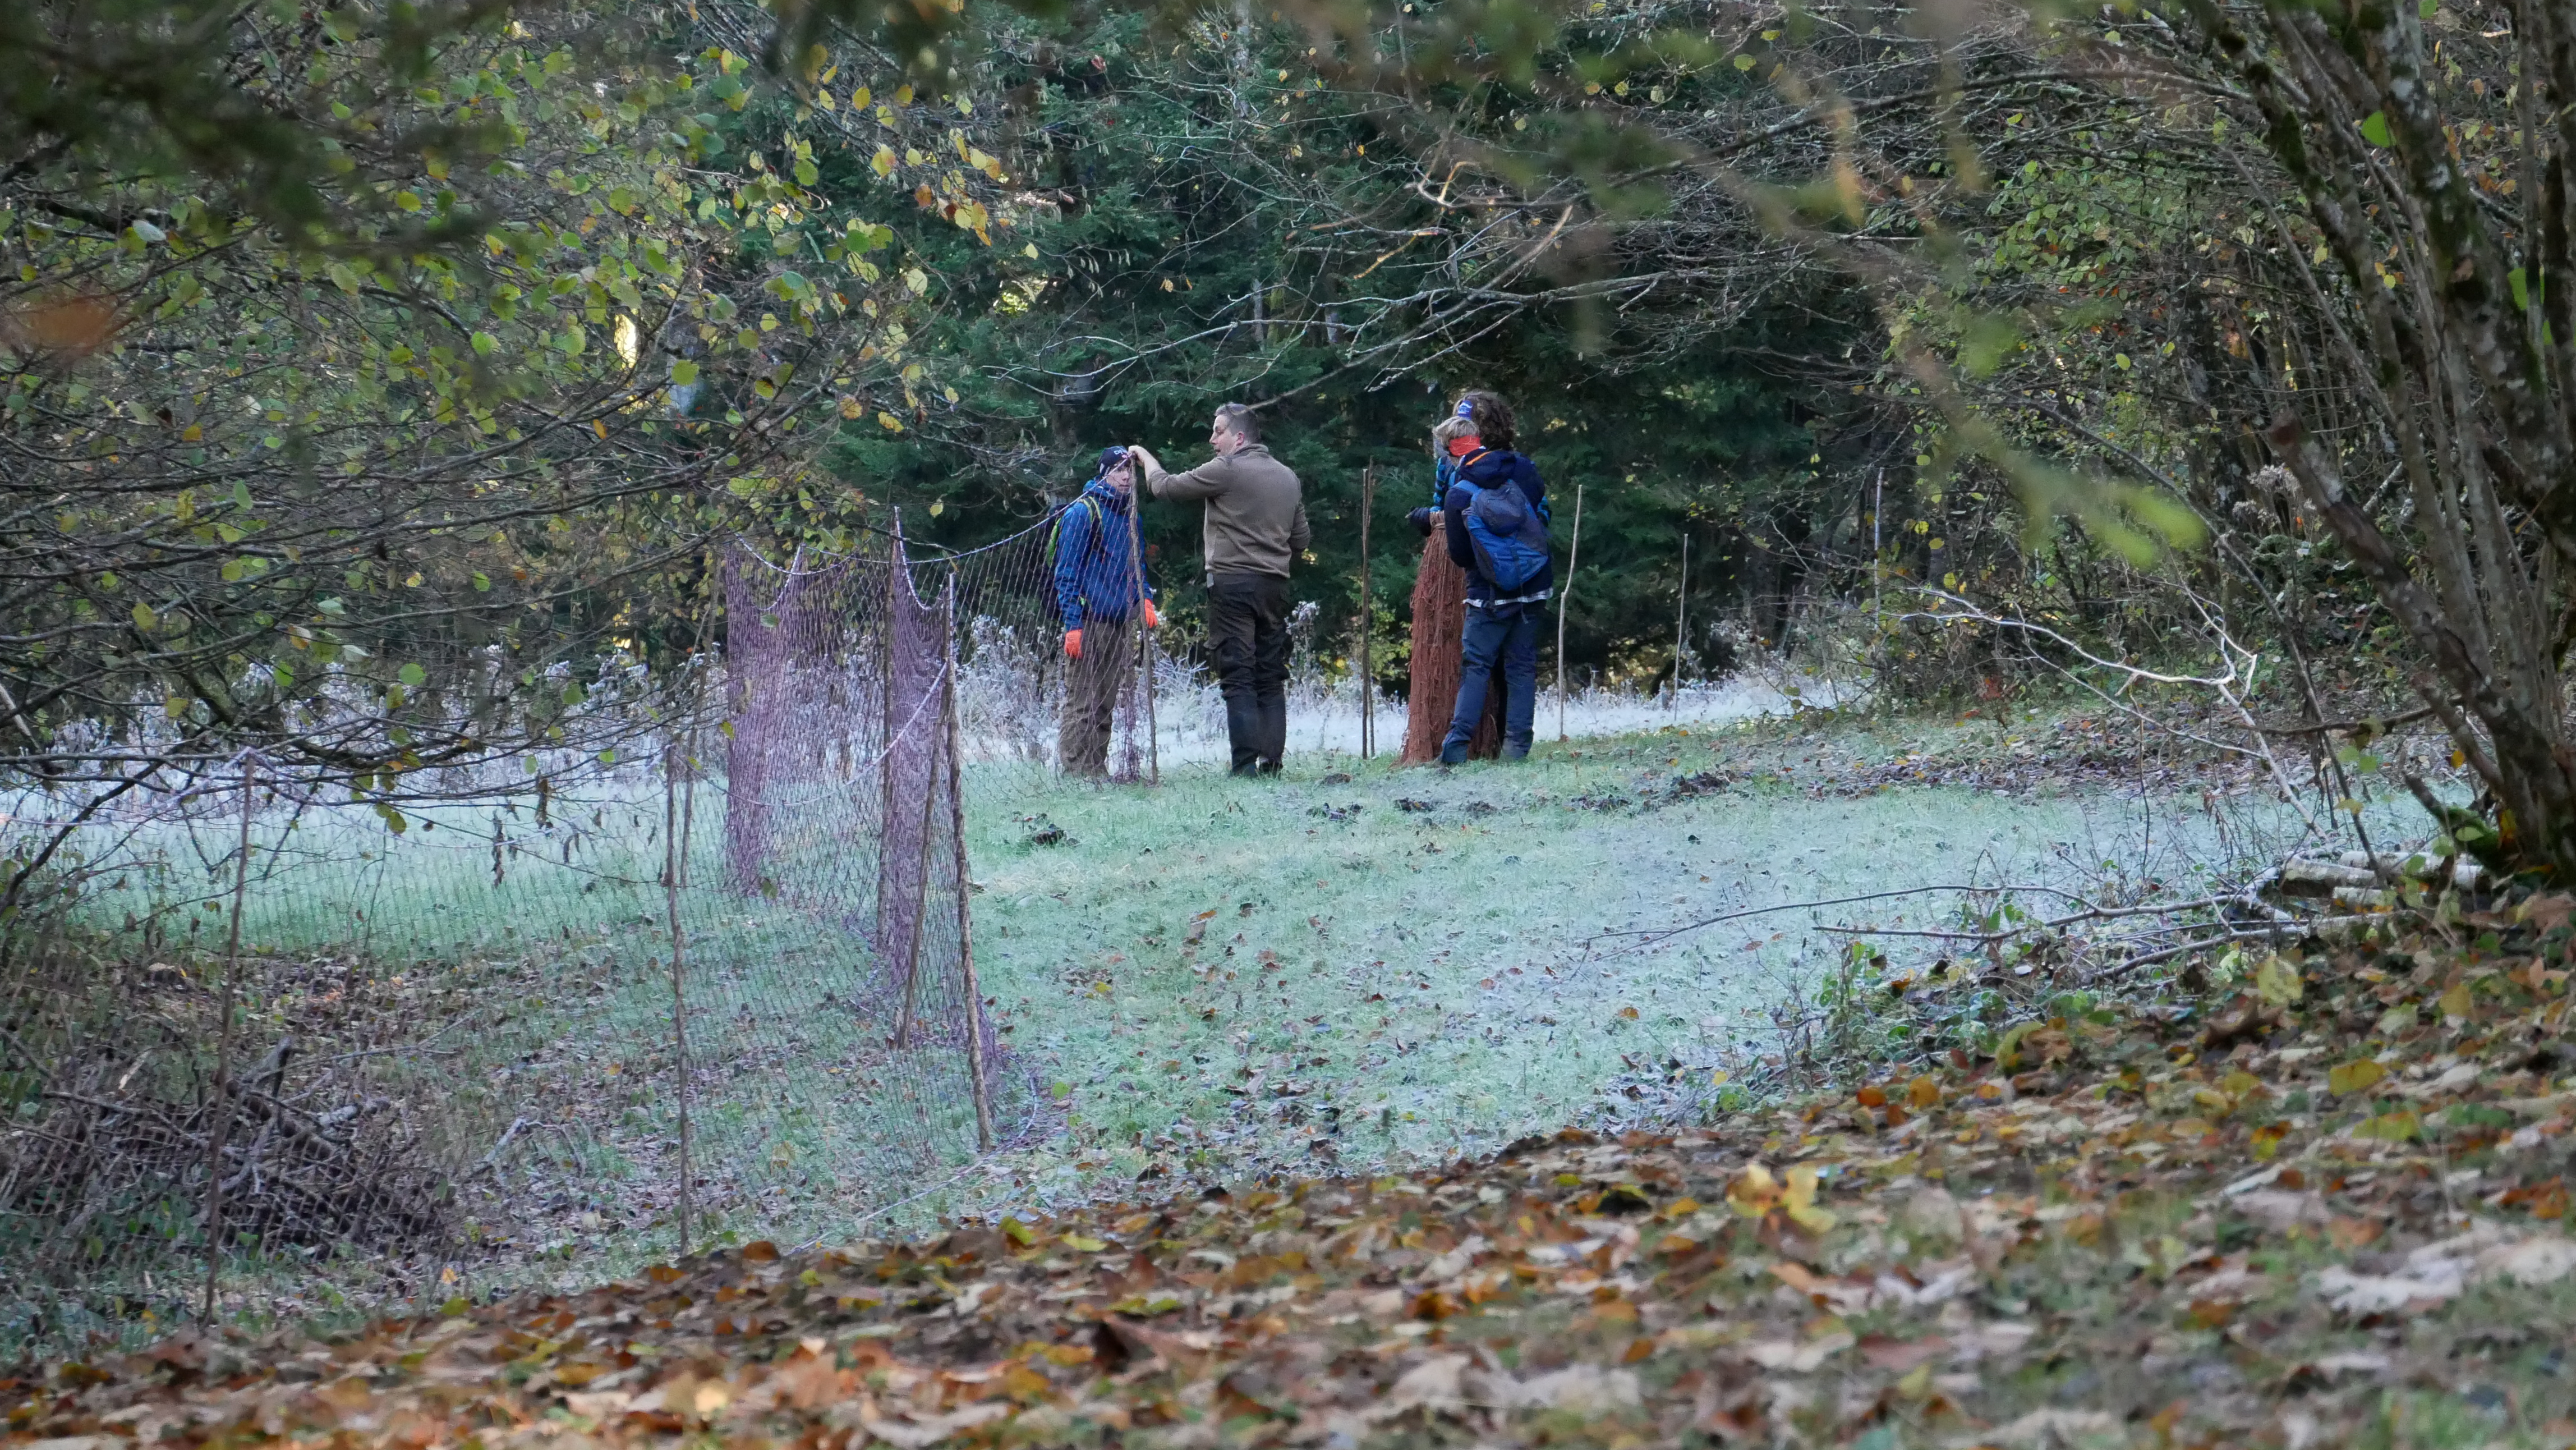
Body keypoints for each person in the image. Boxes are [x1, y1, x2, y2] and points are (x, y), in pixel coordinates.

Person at [1129, 403, 1309, 776]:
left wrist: (1146, 457)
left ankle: (1243, 767)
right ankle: (1271, 765)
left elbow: (1165, 488)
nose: (1212, 440)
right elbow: (1302, 540)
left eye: (1218, 432)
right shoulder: (1289, 477)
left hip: (1232, 586)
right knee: (1271, 677)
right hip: (1275, 587)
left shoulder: (1227, 469)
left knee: (1239, 674)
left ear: (1239, 438)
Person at [1428, 391, 1552, 764]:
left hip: (1488, 593)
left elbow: (1461, 555)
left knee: (1476, 666)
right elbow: (1541, 520)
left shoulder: (1458, 490)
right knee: (1522, 666)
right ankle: (1517, 750)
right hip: (1534, 583)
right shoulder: (1524, 469)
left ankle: (1456, 749)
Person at [1052, 447, 1159, 779]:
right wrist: (1072, 624)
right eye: (1119, 470)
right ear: (1103, 473)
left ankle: (1097, 770)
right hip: (1087, 622)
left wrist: (1145, 599)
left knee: (1105, 704)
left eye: (1130, 470)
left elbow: (1138, 564)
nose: (1126, 476)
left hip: (1119, 623)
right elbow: (1065, 573)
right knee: (1082, 702)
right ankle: (1076, 774)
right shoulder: (1082, 514)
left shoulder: (1132, 516)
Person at [1400, 411, 1501, 764]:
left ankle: (1474, 741)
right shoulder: (1455, 465)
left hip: (1472, 558)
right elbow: (1442, 500)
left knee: (1471, 650)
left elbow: (1453, 505)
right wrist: (1431, 516)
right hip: (1452, 554)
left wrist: (1433, 516)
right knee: (1448, 643)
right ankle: (1448, 736)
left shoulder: (1490, 466)